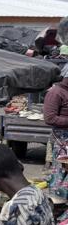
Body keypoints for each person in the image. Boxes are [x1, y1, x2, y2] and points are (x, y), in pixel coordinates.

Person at [43, 65, 68, 199]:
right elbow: (50, 118)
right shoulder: (55, 93)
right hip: (62, 141)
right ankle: (58, 204)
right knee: (60, 172)